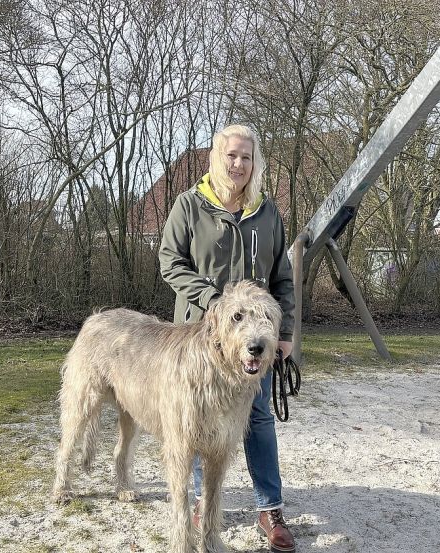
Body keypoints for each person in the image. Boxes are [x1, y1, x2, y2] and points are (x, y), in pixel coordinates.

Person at [159, 124, 296, 552]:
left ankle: (269, 508)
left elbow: (282, 277)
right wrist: (213, 300)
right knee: (195, 423)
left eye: (247, 157)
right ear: (218, 158)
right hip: (202, 337)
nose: (239, 164)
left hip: (255, 338)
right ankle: (202, 504)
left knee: (257, 419)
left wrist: (285, 331)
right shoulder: (189, 206)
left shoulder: (266, 211)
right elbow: (169, 260)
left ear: (255, 164)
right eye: (232, 155)